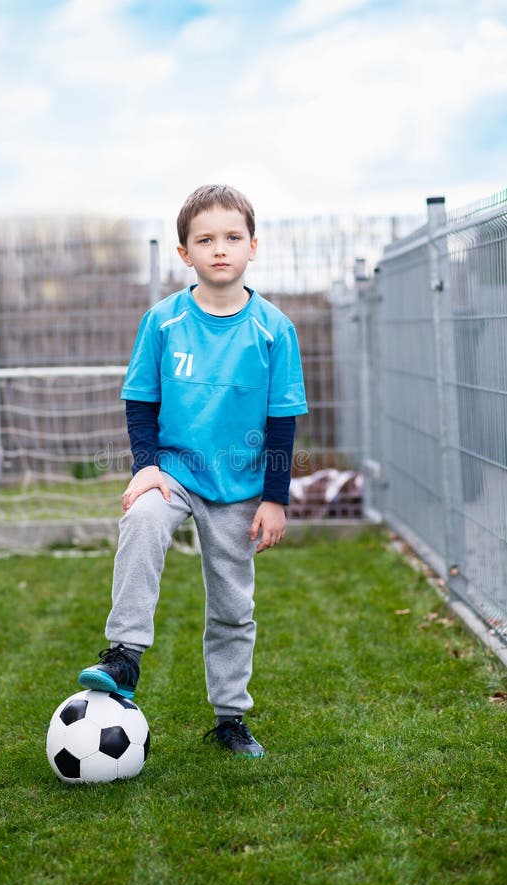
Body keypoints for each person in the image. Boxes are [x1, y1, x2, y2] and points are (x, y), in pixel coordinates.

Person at [79, 184, 308, 757]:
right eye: (205, 239)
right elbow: (140, 401)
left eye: (232, 237)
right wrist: (145, 468)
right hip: (174, 472)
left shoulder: (274, 329)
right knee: (142, 519)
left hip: (240, 487)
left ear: (252, 246)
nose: (220, 248)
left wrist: (274, 499)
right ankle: (124, 656)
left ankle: (230, 719)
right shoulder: (162, 322)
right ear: (185, 253)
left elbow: (282, 421)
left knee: (233, 606)